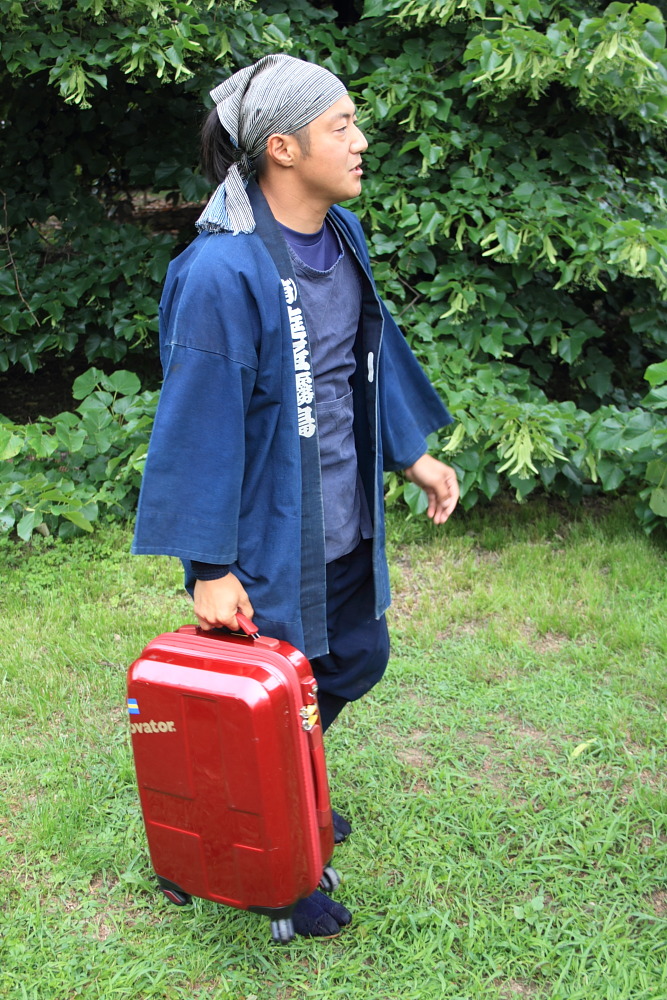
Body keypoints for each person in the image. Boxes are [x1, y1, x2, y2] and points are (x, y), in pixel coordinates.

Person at [132, 54, 459, 938]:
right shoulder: (221, 272)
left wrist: (410, 455)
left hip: (340, 516)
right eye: (339, 126)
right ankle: (268, 866)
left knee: (353, 660)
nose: (360, 140)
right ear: (282, 147)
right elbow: (196, 421)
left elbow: (365, 358)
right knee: (269, 701)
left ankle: (288, 788)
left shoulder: (339, 237)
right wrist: (208, 567)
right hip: (267, 534)